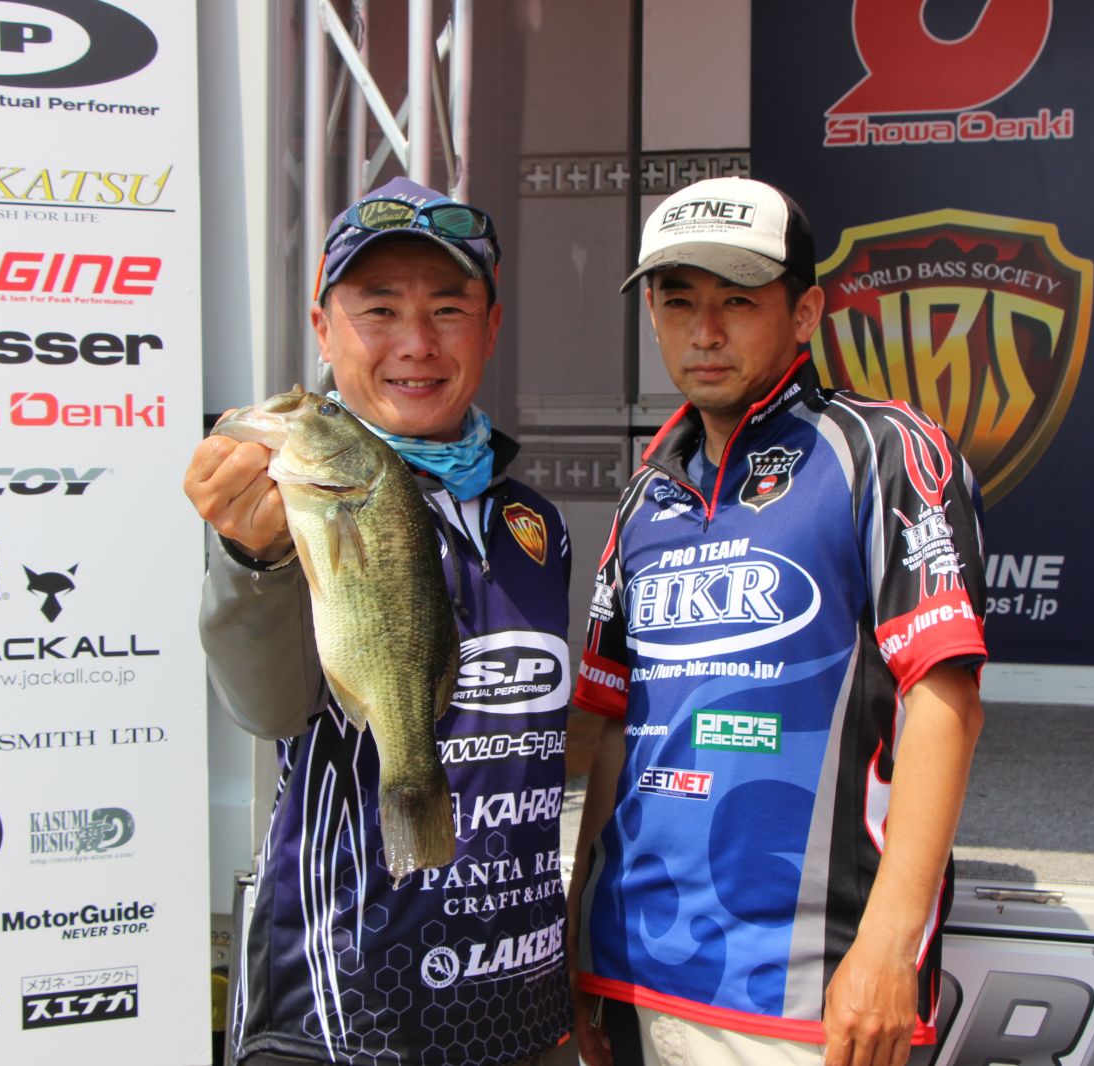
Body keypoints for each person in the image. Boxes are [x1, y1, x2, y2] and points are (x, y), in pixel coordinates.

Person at [567, 176, 988, 1066]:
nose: (704, 332)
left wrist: (888, 950)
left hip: (808, 996)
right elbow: (610, 733)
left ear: (805, 313)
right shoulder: (646, 495)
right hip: (634, 972)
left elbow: (946, 702)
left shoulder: (883, 450)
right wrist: (578, 941)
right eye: (678, 301)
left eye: (737, 302)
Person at [185, 177, 576, 1066]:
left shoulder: (535, 521)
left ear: (491, 327)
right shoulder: (287, 508)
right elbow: (269, 707)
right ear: (322, 331)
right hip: (343, 1006)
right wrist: (251, 562)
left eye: (448, 310)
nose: (415, 343)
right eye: (379, 310)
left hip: (522, 1001)